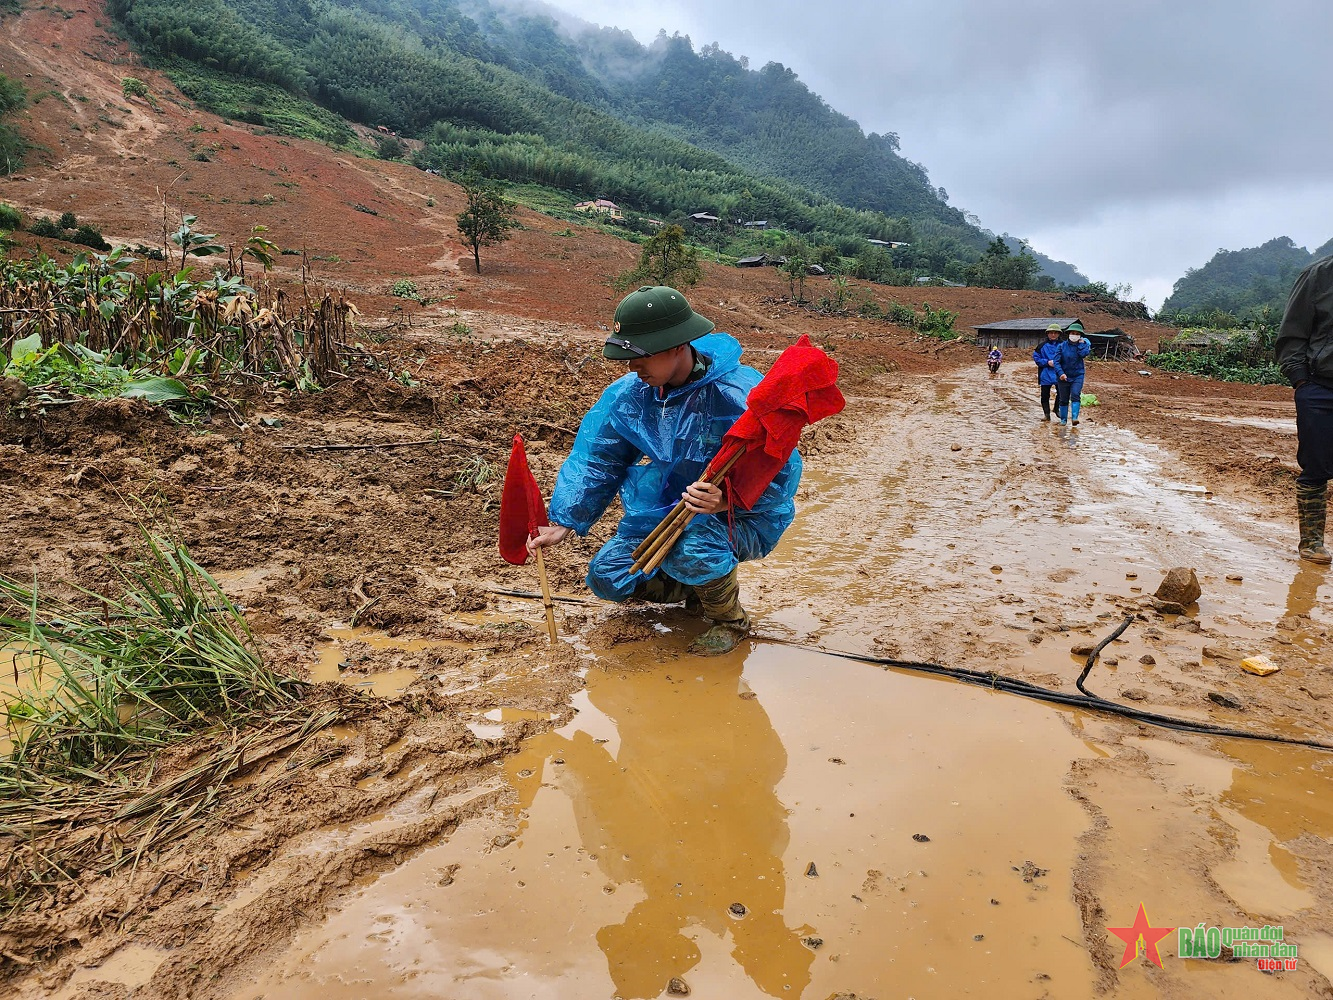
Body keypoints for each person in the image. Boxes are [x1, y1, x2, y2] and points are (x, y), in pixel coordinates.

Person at [527, 285, 801, 654]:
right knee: (609, 576)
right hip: (667, 510)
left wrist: (728, 501)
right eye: (627, 357)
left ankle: (730, 620)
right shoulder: (630, 394)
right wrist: (565, 519)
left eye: (641, 356)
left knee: (693, 546)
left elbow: (781, 469)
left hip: (744, 515)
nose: (632, 367)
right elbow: (599, 458)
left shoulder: (738, 395)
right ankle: (697, 590)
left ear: (678, 346)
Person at [1274, 254, 1333, 563]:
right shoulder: (1317, 276)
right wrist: (1301, 382)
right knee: (1317, 463)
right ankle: (1311, 541)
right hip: (1320, 386)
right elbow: (1291, 335)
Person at [1054, 319, 1091, 425]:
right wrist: (1061, 373)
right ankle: (1063, 420)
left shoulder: (1083, 345)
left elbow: (1084, 354)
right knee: (1063, 398)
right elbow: (1056, 362)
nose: (1074, 335)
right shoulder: (1061, 346)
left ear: (1080, 335)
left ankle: (1074, 418)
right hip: (1063, 376)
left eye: (1077, 334)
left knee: (1075, 394)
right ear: (1068, 334)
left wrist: (1081, 344)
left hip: (1077, 375)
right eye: (1072, 333)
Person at [1032, 323, 1063, 420]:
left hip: (1060, 372)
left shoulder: (1063, 345)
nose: (1053, 335)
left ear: (1058, 334)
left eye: (1055, 333)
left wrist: (1059, 363)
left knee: (1061, 393)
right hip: (1045, 373)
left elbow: (1068, 357)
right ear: (1047, 334)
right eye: (1051, 333)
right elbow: (1036, 358)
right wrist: (1047, 362)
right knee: (1045, 395)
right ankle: (1046, 414)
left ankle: (1056, 409)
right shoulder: (1041, 346)